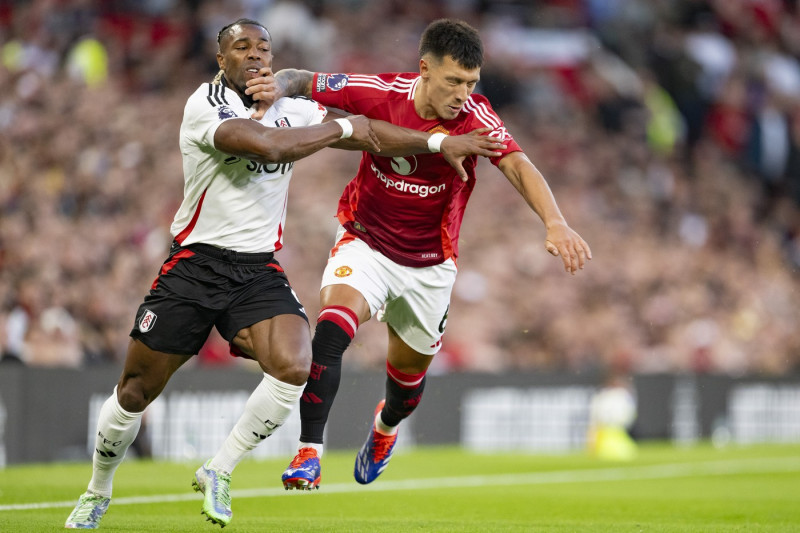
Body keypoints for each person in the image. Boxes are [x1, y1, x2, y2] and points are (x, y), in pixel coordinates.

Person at [64, 18, 505, 530]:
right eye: (241, 47)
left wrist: (433, 145)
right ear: (221, 58)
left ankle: (220, 470)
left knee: (296, 365)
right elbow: (267, 145)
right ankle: (97, 490)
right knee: (135, 392)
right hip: (194, 265)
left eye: (263, 48)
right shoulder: (205, 105)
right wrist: (343, 128)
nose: (255, 55)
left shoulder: (296, 108)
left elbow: (374, 136)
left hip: (256, 270)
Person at [259, 18, 592, 490]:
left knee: (405, 390)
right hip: (366, 241)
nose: (463, 93)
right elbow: (302, 79)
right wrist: (274, 87)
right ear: (424, 70)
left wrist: (555, 222)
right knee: (331, 330)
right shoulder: (380, 93)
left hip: (430, 266)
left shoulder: (477, 116)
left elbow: (516, 162)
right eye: (454, 81)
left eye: (471, 82)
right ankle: (308, 453)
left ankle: (385, 429)